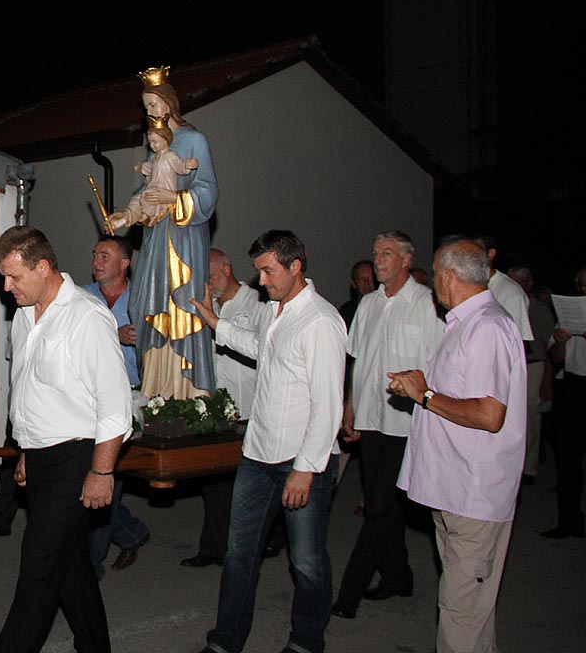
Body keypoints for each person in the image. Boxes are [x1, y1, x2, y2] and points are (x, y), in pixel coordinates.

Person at [190, 230, 345, 653]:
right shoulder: (279, 310)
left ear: (296, 266)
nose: (261, 281)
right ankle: (226, 640)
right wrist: (216, 323)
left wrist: (305, 469)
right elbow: (262, 348)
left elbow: (327, 406)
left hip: (300, 461)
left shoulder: (321, 321)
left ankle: (307, 641)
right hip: (258, 455)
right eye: (259, 271)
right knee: (240, 553)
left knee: (307, 562)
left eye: (268, 271)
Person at [0, 226, 132, 653]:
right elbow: (30, 389)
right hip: (40, 455)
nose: (6, 287)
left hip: (77, 457)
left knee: (38, 569)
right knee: (69, 566)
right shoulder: (23, 314)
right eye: (3, 277)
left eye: (14, 277)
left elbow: (114, 406)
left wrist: (101, 471)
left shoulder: (86, 317)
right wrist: (26, 451)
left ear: (44, 267)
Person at [391, 238, 526, 652]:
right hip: (455, 489)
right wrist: (423, 387)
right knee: (469, 611)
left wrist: (425, 395)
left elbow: (489, 414)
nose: (433, 284)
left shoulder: (487, 326)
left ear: (449, 276)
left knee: (460, 612)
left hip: (474, 493)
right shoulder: (467, 323)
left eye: (434, 275)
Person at [330, 231, 444, 621]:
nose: (378, 260)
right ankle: (398, 576)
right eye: (376, 252)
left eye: (387, 253)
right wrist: (350, 407)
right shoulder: (369, 303)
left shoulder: (426, 305)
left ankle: (349, 594)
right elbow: (357, 360)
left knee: (378, 508)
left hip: (406, 420)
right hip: (372, 417)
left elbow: (436, 365)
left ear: (406, 260)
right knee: (387, 502)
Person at [109, 65, 218, 401]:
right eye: (145, 108)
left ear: (169, 104)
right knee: (145, 301)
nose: (149, 113)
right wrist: (127, 214)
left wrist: (174, 198)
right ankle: (156, 387)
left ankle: (188, 391)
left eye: (153, 105)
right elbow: (146, 190)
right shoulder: (155, 147)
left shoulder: (193, 140)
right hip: (157, 238)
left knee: (181, 303)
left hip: (183, 238)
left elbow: (208, 190)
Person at [181, 248, 270, 569]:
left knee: (252, 486)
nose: (207, 282)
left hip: (250, 407)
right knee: (214, 484)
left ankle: (257, 545)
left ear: (227, 268)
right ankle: (213, 548)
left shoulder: (257, 303)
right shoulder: (210, 305)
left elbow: (263, 349)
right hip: (219, 408)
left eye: (210, 274)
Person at [83, 236, 151, 576]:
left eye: (105, 255)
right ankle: (131, 532)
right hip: (86, 401)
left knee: (106, 475)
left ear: (124, 263)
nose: (97, 261)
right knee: (96, 479)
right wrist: (115, 334)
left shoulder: (142, 299)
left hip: (129, 401)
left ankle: (91, 567)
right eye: (95, 254)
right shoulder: (81, 297)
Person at [542, 265, 586, 539]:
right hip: (572, 387)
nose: (583, 288)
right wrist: (559, 342)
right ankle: (570, 521)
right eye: (581, 284)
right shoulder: (570, 315)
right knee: (568, 459)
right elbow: (556, 357)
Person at [507, 265, 557, 484]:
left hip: (534, 366)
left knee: (531, 419)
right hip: (511, 366)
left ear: (528, 284)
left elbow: (549, 347)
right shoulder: (506, 304)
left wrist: (547, 380)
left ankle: (529, 468)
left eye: (518, 281)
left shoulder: (538, 309)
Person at [110, 122, 199, 228]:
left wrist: (187, 166)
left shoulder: (170, 156)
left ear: (165, 140)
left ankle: (155, 215)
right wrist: (141, 167)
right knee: (145, 196)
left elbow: (179, 166)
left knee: (156, 199)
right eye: (150, 143)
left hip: (165, 187)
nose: (152, 145)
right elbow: (150, 167)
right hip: (154, 185)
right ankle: (147, 214)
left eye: (155, 142)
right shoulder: (154, 157)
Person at [340, 260, 376, 329]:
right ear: (354, 284)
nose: (366, 283)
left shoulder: (384, 308)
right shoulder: (347, 311)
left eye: (370, 278)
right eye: (362, 279)